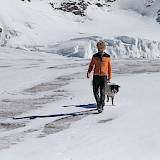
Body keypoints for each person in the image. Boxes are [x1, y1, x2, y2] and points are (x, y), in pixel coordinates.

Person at [87, 40, 112, 113]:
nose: (100, 49)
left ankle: (101, 104)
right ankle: (99, 105)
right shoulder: (95, 56)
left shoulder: (107, 56)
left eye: (101, 47)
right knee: (95, 91)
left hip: (104, 76)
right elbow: (91, 65)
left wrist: (109, 77)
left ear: (104, 48)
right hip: (96, 76)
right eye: (99, 47)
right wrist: (89, 72)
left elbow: (109, 68)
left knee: (102, 91)